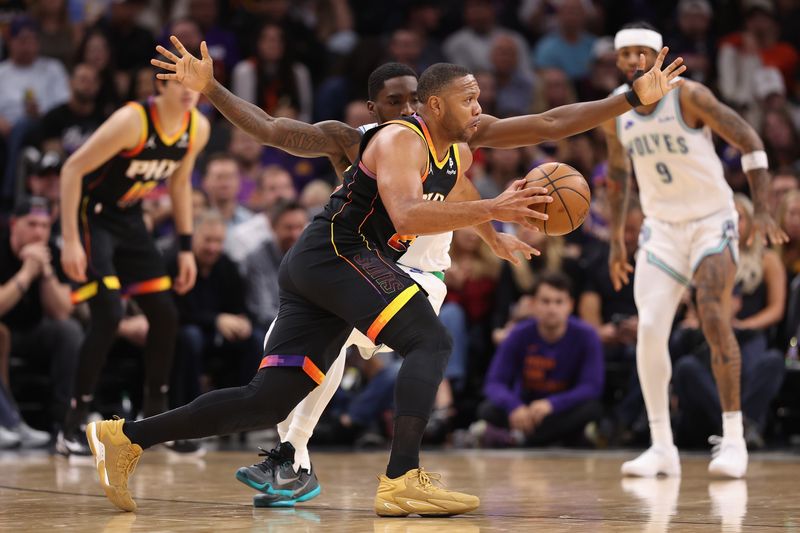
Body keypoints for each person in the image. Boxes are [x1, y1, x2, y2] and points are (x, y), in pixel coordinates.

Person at [83, 38, 683, 516]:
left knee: (266, 400)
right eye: (471, 99)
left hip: (333, 265)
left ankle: (126, 436)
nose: (481, 109)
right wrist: (493, 211)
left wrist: (629, 98)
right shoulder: (400, 139)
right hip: (336, 254)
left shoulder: (460, 144)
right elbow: (407, 214)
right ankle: (401, 479)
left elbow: (552, 122)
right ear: (437, 106)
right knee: (432, 337)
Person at [602, 23, 787, 479]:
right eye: (628, 54)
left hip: (711, 221)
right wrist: (613, 243)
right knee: (648, 328)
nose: (636, 61)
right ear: (618, 60)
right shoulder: (615, 112)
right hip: (661, 229)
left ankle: (734, 439)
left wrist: (762, 211)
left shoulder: (688, 96)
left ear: (658, 54)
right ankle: (661, 446)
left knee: (713, 315)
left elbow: (751, 142)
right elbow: (619, 176)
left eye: (645, 52)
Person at [56, 73, 210, 458]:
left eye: (197, 84)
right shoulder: (133, 121)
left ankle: (155, 422)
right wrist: (71, 240)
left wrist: (186, 248)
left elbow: (179, 185)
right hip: (93, 216)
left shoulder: (198, 127)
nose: (191, 92)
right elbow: (72, 170)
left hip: (130, 220)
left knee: (165, 316)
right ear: (160, 87)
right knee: (108, 314)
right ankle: (70, 426)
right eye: (181, 84)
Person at [476, 272, 604, 447]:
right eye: (545, 301)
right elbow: (494, 383)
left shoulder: (587, 335)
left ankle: (520, 439)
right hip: (526, 409)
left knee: (592, 409)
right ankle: (560, 438)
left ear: (570, 305)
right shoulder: (518, 334)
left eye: (559, 302)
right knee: (487, 409)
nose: (552, 308)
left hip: (563, 408)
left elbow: (591, 387)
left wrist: (552, 404)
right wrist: (515, 406)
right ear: (534, 304)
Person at [0, 196, 80, 440]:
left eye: (44, 226)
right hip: (4, 329)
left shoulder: (53, 253)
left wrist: (45, 273)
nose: (39, 232)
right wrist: (27, 273)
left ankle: (63, 421)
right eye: (32, 224)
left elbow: (62, 310)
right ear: (14, 224)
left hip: (32, 331)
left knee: (69, 330)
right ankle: (8, 419)